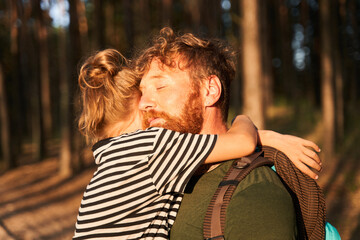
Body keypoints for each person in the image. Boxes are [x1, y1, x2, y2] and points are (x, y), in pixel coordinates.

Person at [135, 27, 323, 239]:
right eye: (142, 92)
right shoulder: (154, 176)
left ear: (210, 91)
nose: (143, 103)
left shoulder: (253, 192)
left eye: (160, 87)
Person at [73, 49, 272, 240]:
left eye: (159, 89)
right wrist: (243, 120)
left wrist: (268, 138)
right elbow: (243, 142)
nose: (149, 103)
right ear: (138, 105)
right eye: (143, 94)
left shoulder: (114, 159)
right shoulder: (150, 146)